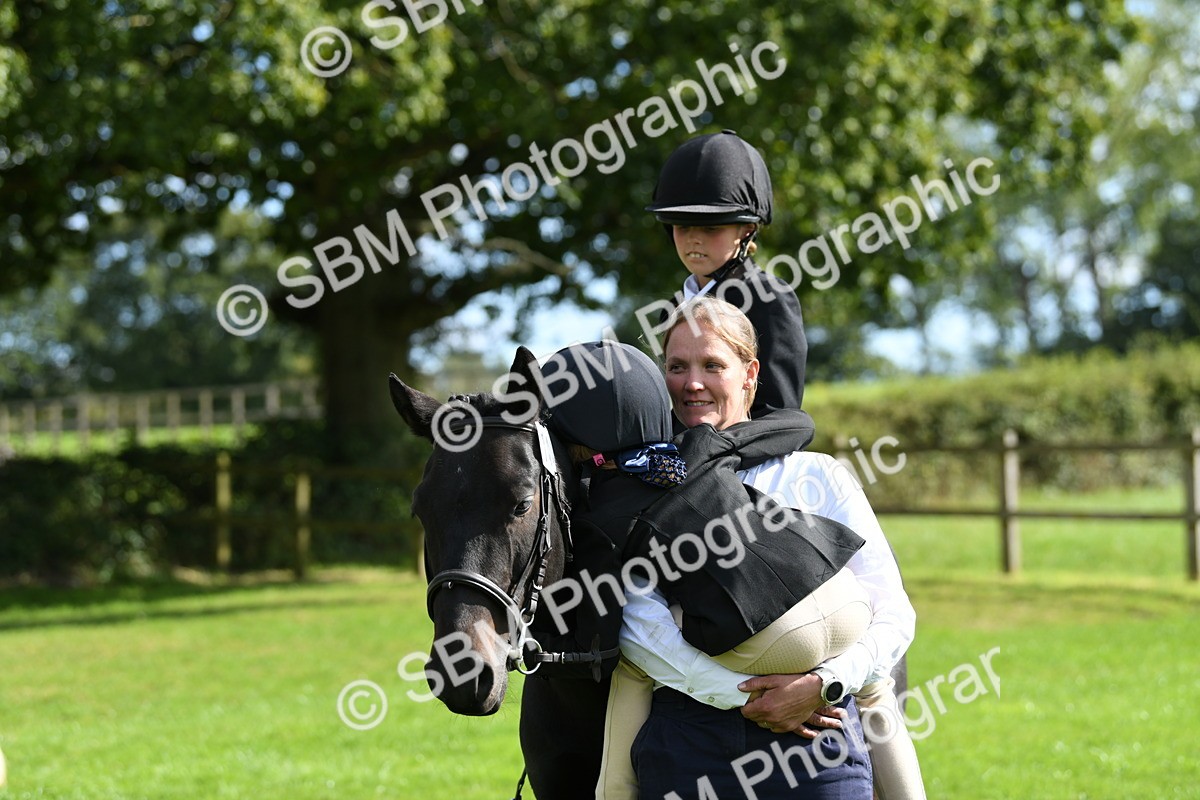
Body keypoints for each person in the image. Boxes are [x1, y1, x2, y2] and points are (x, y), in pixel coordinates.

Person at [539, 341, 902, 799]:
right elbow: (796, 422)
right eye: (675, 367)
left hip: (803, 702)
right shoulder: (712, 454)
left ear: (750, 373)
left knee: (630, 661)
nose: (692, 382)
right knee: (876, 689)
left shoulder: (657, 478)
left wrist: (822, 685)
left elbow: (642, 632)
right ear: (658, 381)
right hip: (818, 635)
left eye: (712, 365)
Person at [646, 129, 808, 413]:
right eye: (682, 227)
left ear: (746, 231)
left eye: (711, 227)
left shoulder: (769, 299)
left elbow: (779, 412)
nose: (694, 238)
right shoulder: (672, 309)